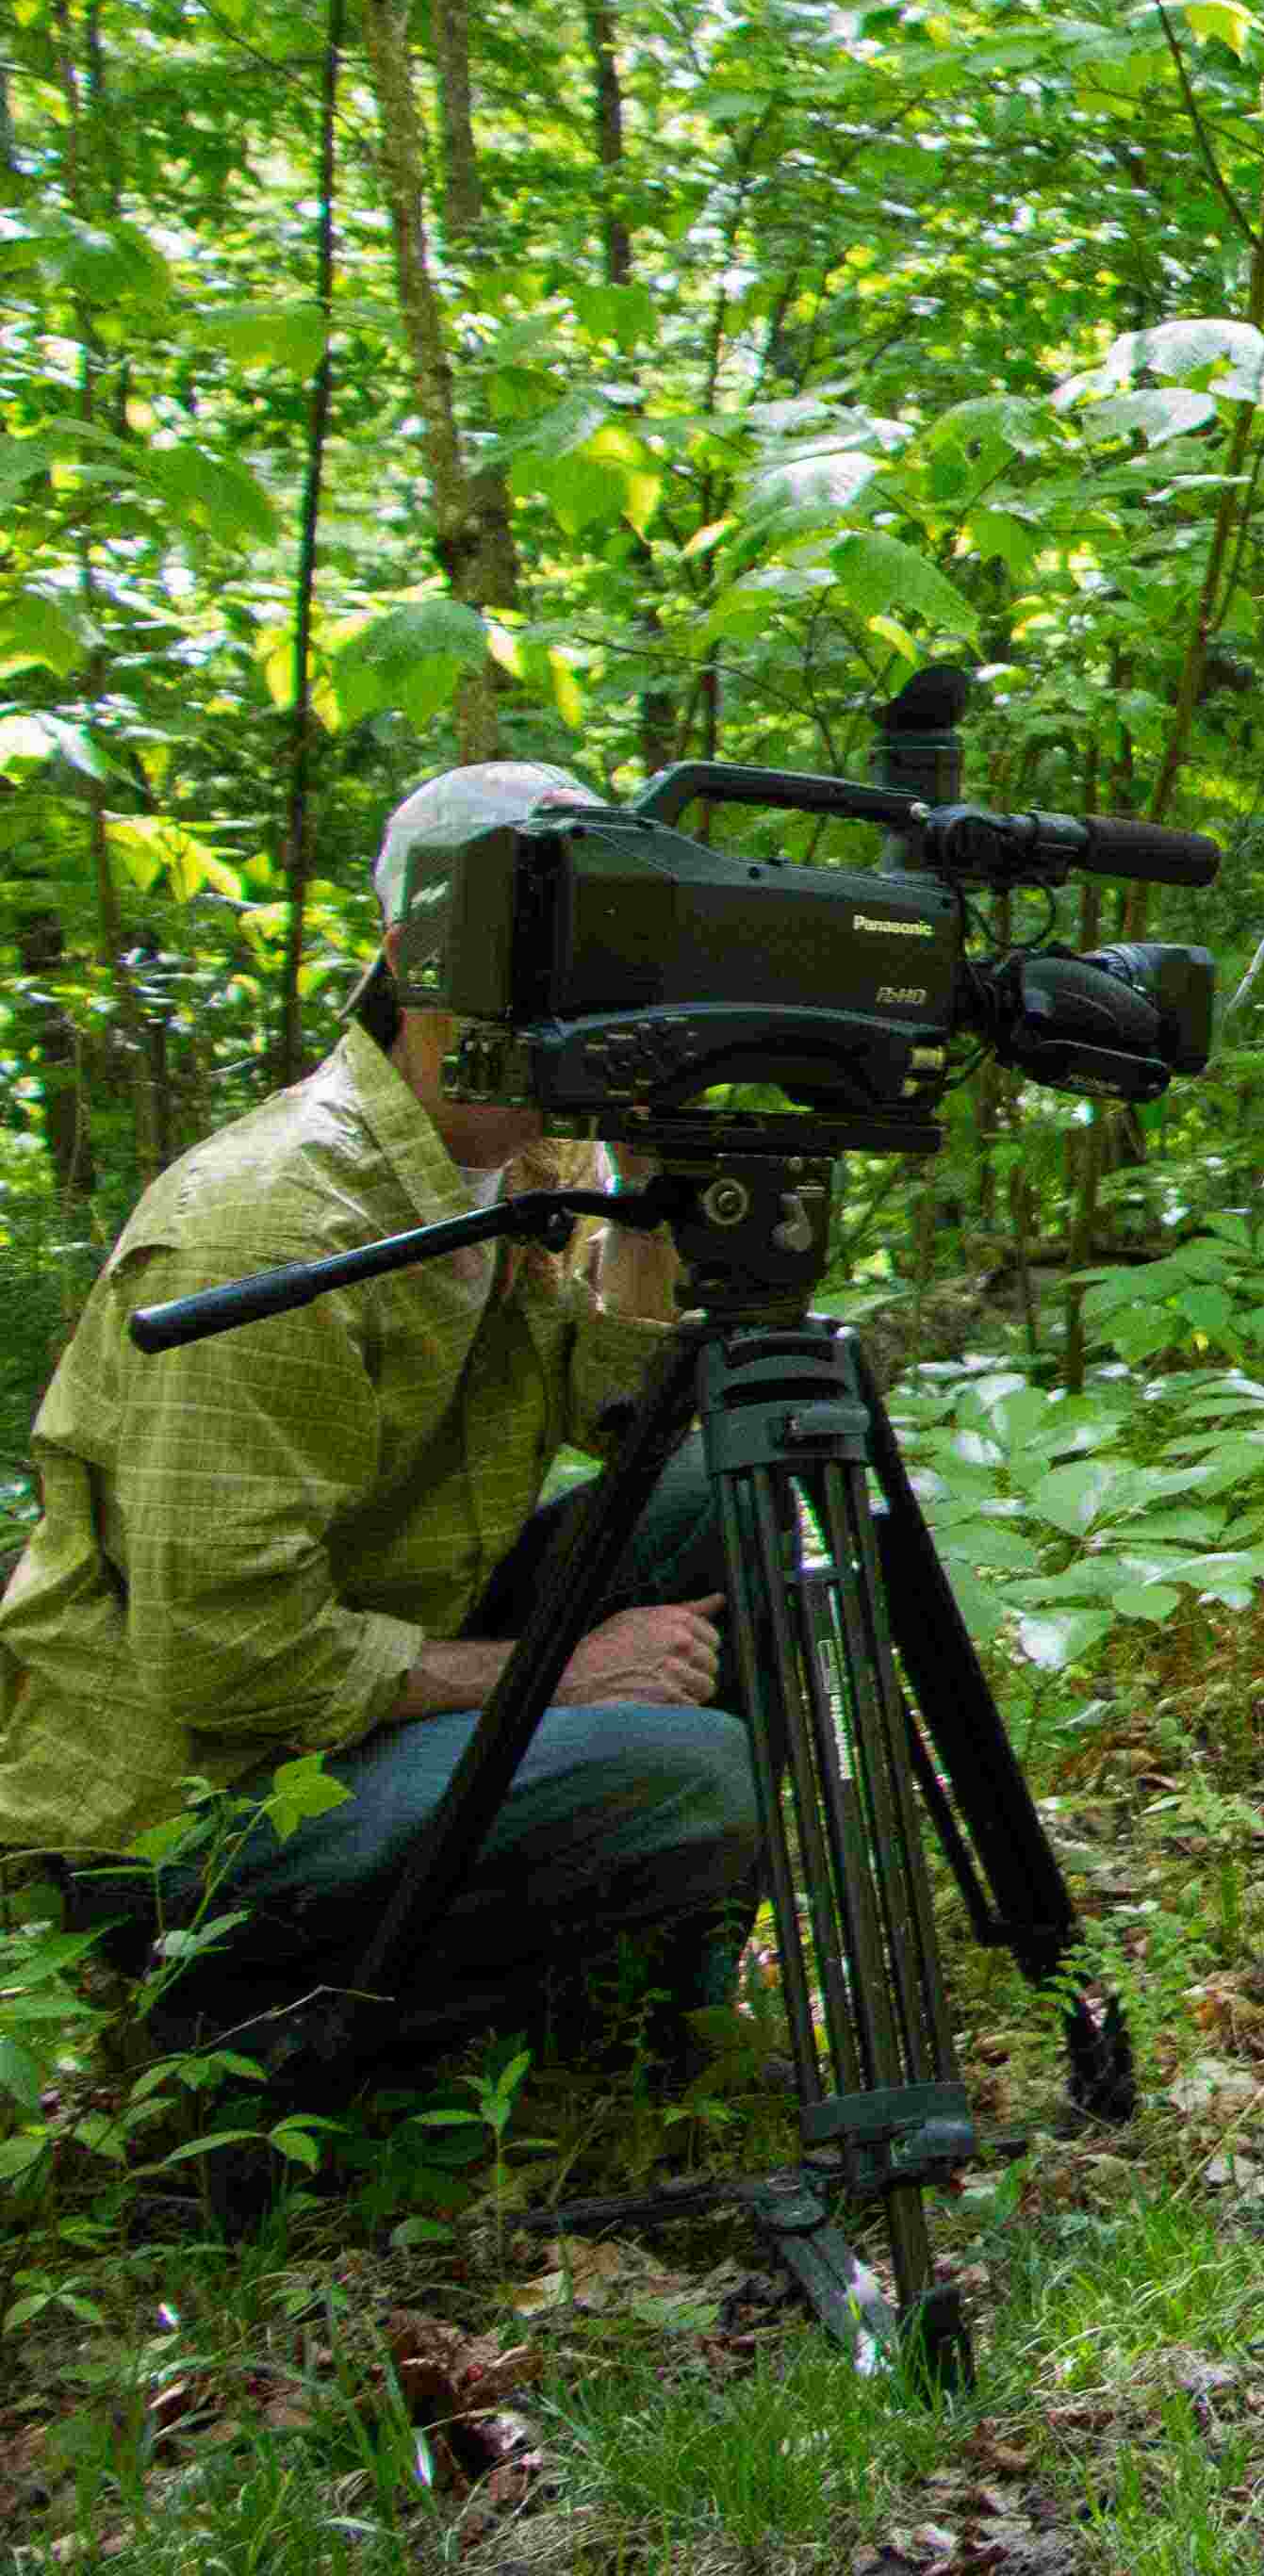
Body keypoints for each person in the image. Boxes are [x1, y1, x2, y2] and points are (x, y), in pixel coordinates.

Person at [0, 761, 760, 2069]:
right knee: (691, 1769)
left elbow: (625, 1419)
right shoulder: (271, 1220)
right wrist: (562, 1680)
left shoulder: (540, 1152)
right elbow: (227, 1659)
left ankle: (630, 2012)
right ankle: (267, 2029)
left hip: (384, 1652)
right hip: (189, 1809)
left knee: (753, 1486)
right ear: (416, 959)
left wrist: (656, 1191)